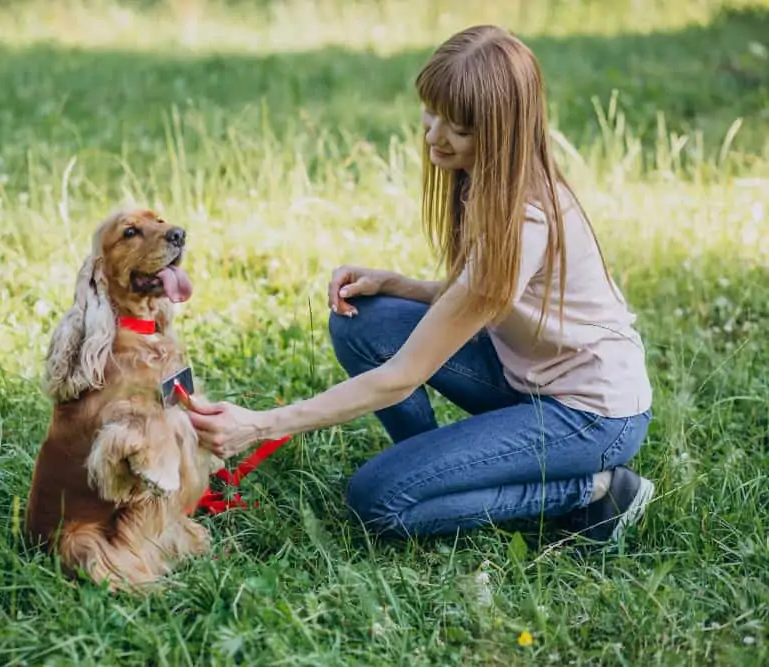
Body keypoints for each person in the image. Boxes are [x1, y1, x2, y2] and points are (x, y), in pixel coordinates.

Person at [186, 24, 655, 546]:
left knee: (378, 500)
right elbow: (489, 300)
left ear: (502, 131)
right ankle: (440, 470)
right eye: (431, 111)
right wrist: (400, 285)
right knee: (365, 320)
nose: (434, 135)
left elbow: (400, 378)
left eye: (458, 127)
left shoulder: (524, 220)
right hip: (528, 379)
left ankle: (594, 490)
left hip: (590, 415)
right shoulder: (490, 177)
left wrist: (262, 424)